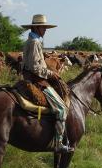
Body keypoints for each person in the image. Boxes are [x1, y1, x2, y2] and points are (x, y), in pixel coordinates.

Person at [21, 14, 74, 153]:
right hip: (36, 79)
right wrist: (51, 73)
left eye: (46, 27)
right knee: (62, 109)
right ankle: (58, 144)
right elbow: (34, 67)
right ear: (37, 27)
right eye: (43, 27)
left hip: (33, 77)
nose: (45, 30)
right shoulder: (34, 42)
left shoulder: (31, 40)